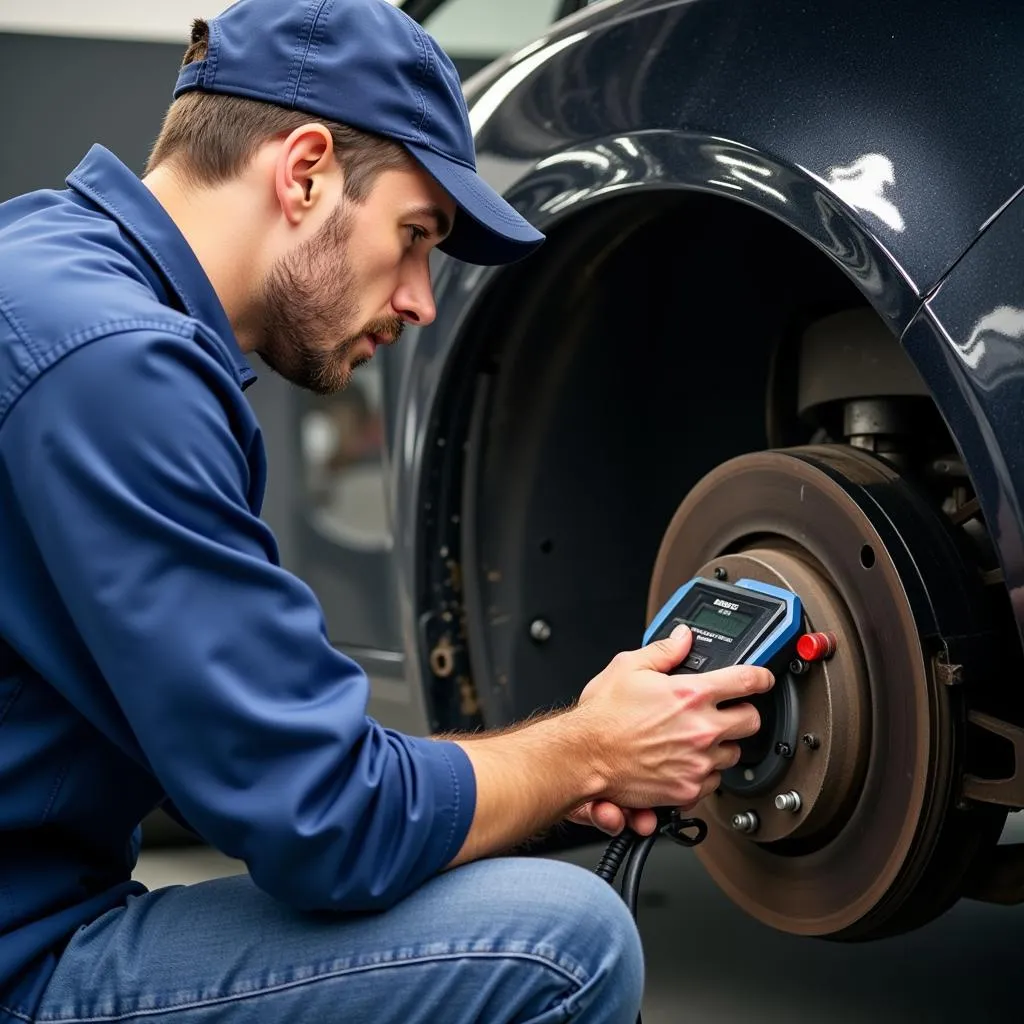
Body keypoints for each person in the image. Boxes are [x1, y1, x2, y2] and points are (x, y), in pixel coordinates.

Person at [0, 1, 772, 1021]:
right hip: (26, 959)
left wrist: (536, 776)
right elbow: (321, 820)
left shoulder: (42, 265)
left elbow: (219, 772)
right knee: (559, 942)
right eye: (414, 236)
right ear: (304, 167)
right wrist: (586, 748)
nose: (419, 299)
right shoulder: (116, 368)